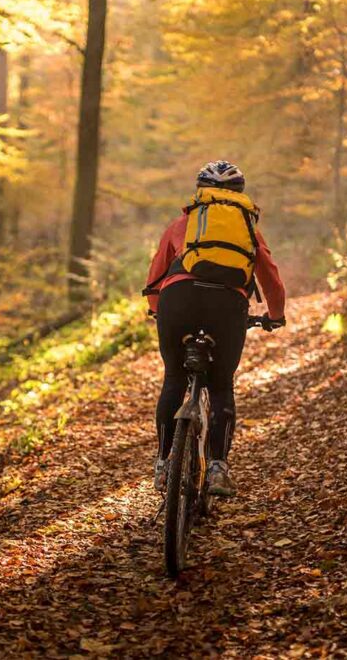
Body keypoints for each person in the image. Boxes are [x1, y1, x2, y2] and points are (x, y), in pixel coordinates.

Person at [145, 160, 286, 497]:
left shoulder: (183, 224)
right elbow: (270, 276)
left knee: (174, 378)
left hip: (177, 300)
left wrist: (157, 311)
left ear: (201, 191)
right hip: (227, 305)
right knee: (221, 384)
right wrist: (275, 315)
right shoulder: (248, 229)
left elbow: (156, 275)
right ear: (239, 194)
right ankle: (219, 468)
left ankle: (165, 463)